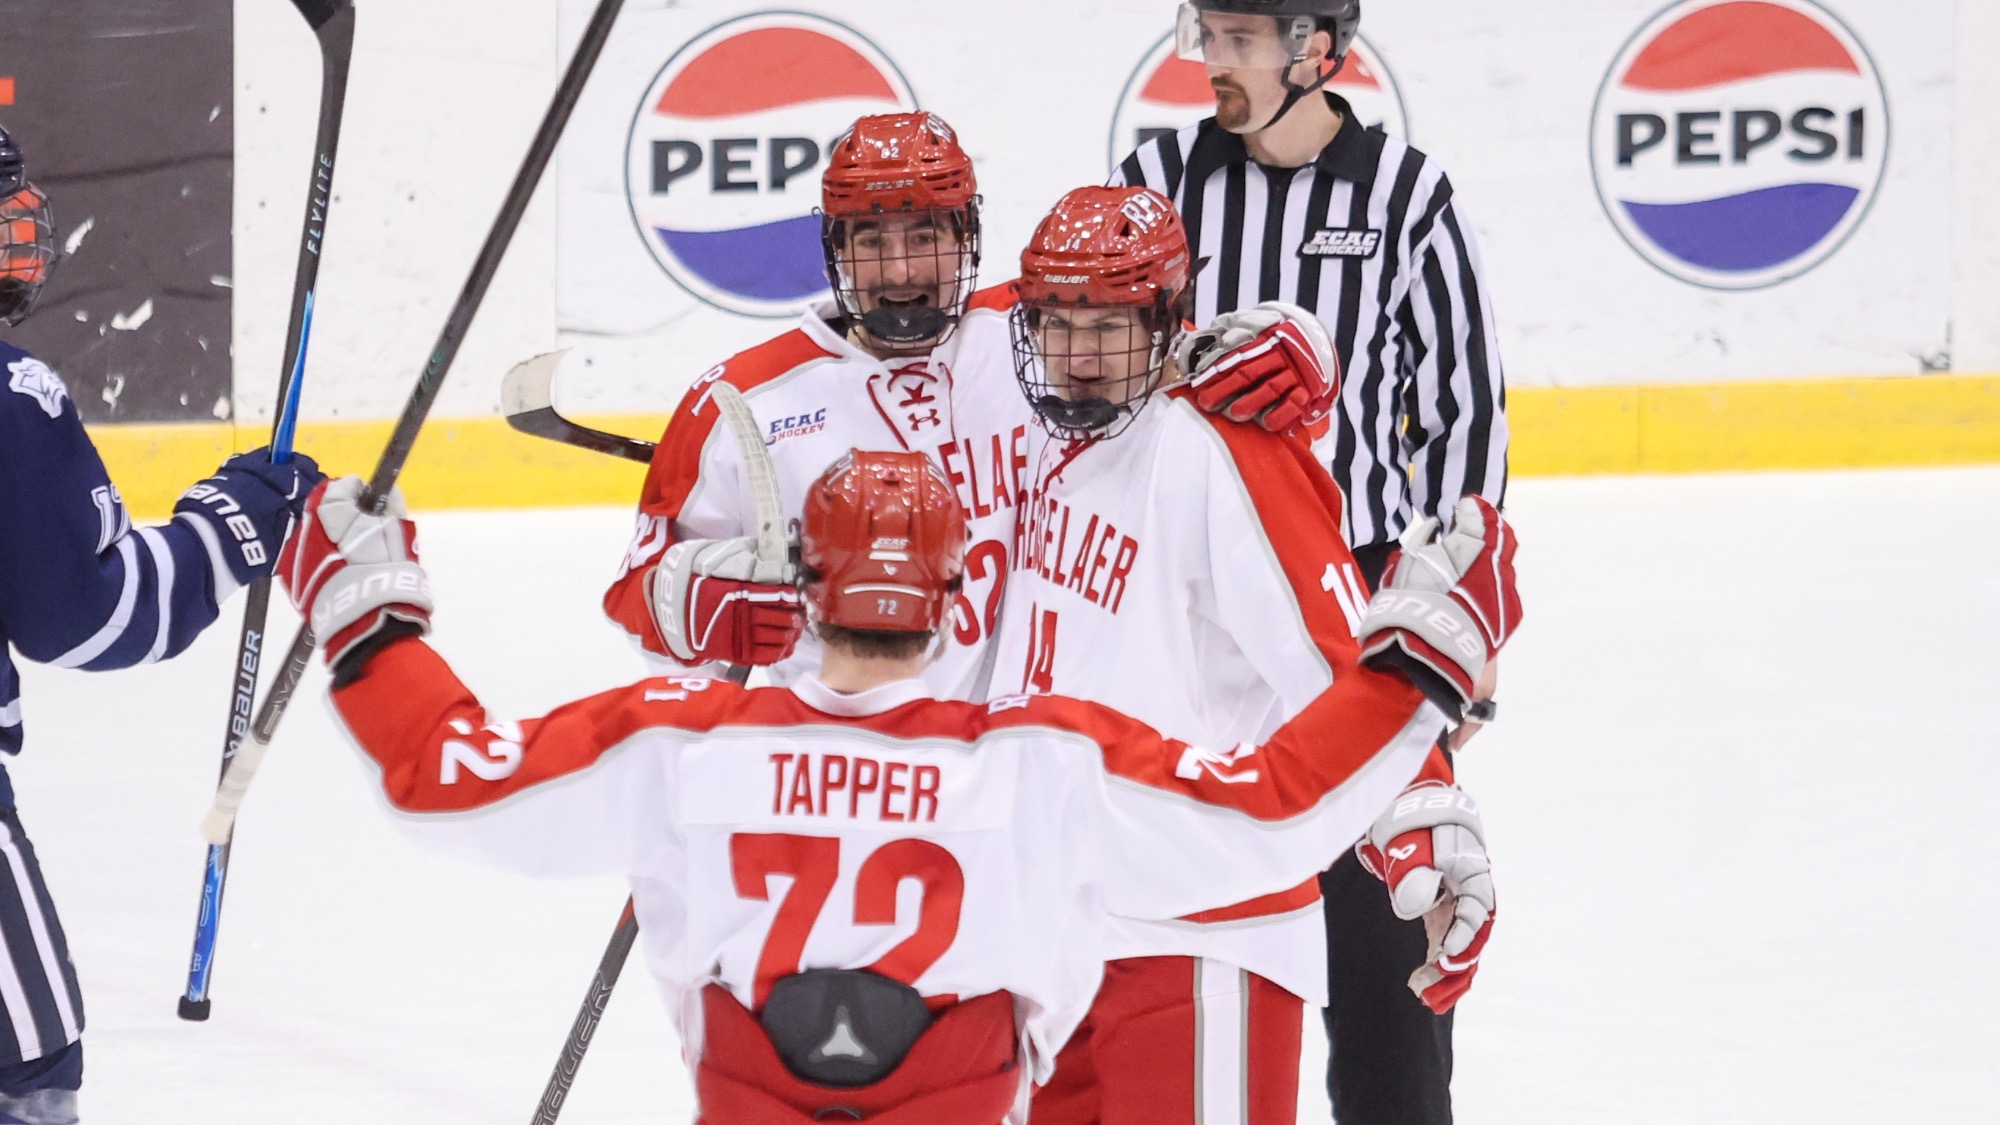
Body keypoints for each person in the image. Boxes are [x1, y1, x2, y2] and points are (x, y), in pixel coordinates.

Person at [285, 446, 1518, 1123]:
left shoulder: (677, 745)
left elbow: (439, 776)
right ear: (955, 592)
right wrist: (1417, 660)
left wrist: (366, 618)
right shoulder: (1039, 763)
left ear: (802, 579)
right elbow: (1275, 811)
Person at [991, 184, 1501, 1125]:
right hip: (1055, 925)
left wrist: (1424, 817)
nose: (1081, 358)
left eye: (1110, 327)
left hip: (1200, 931)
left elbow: (1340, 651)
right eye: (1058, 326)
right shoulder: (1034, 427)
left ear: (1171, 322)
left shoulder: (1222, 446)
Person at [1112, 4, 1511, 1119]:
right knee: (1180, 974)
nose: (1206, 61)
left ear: (1314, 51)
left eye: (1237, 38)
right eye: (1205, 32)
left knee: (1383, 980)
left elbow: (1460, 433)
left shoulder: (1406, 200)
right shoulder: (1154, 178)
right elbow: (1088, 376)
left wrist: (1453, 647)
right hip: (1183, 619)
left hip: (1354, 624)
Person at [0, 124, 321, 1123]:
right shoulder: (10, 400)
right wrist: (234, 526)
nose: (20, 231)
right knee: (30, 1078)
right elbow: (91, 618)